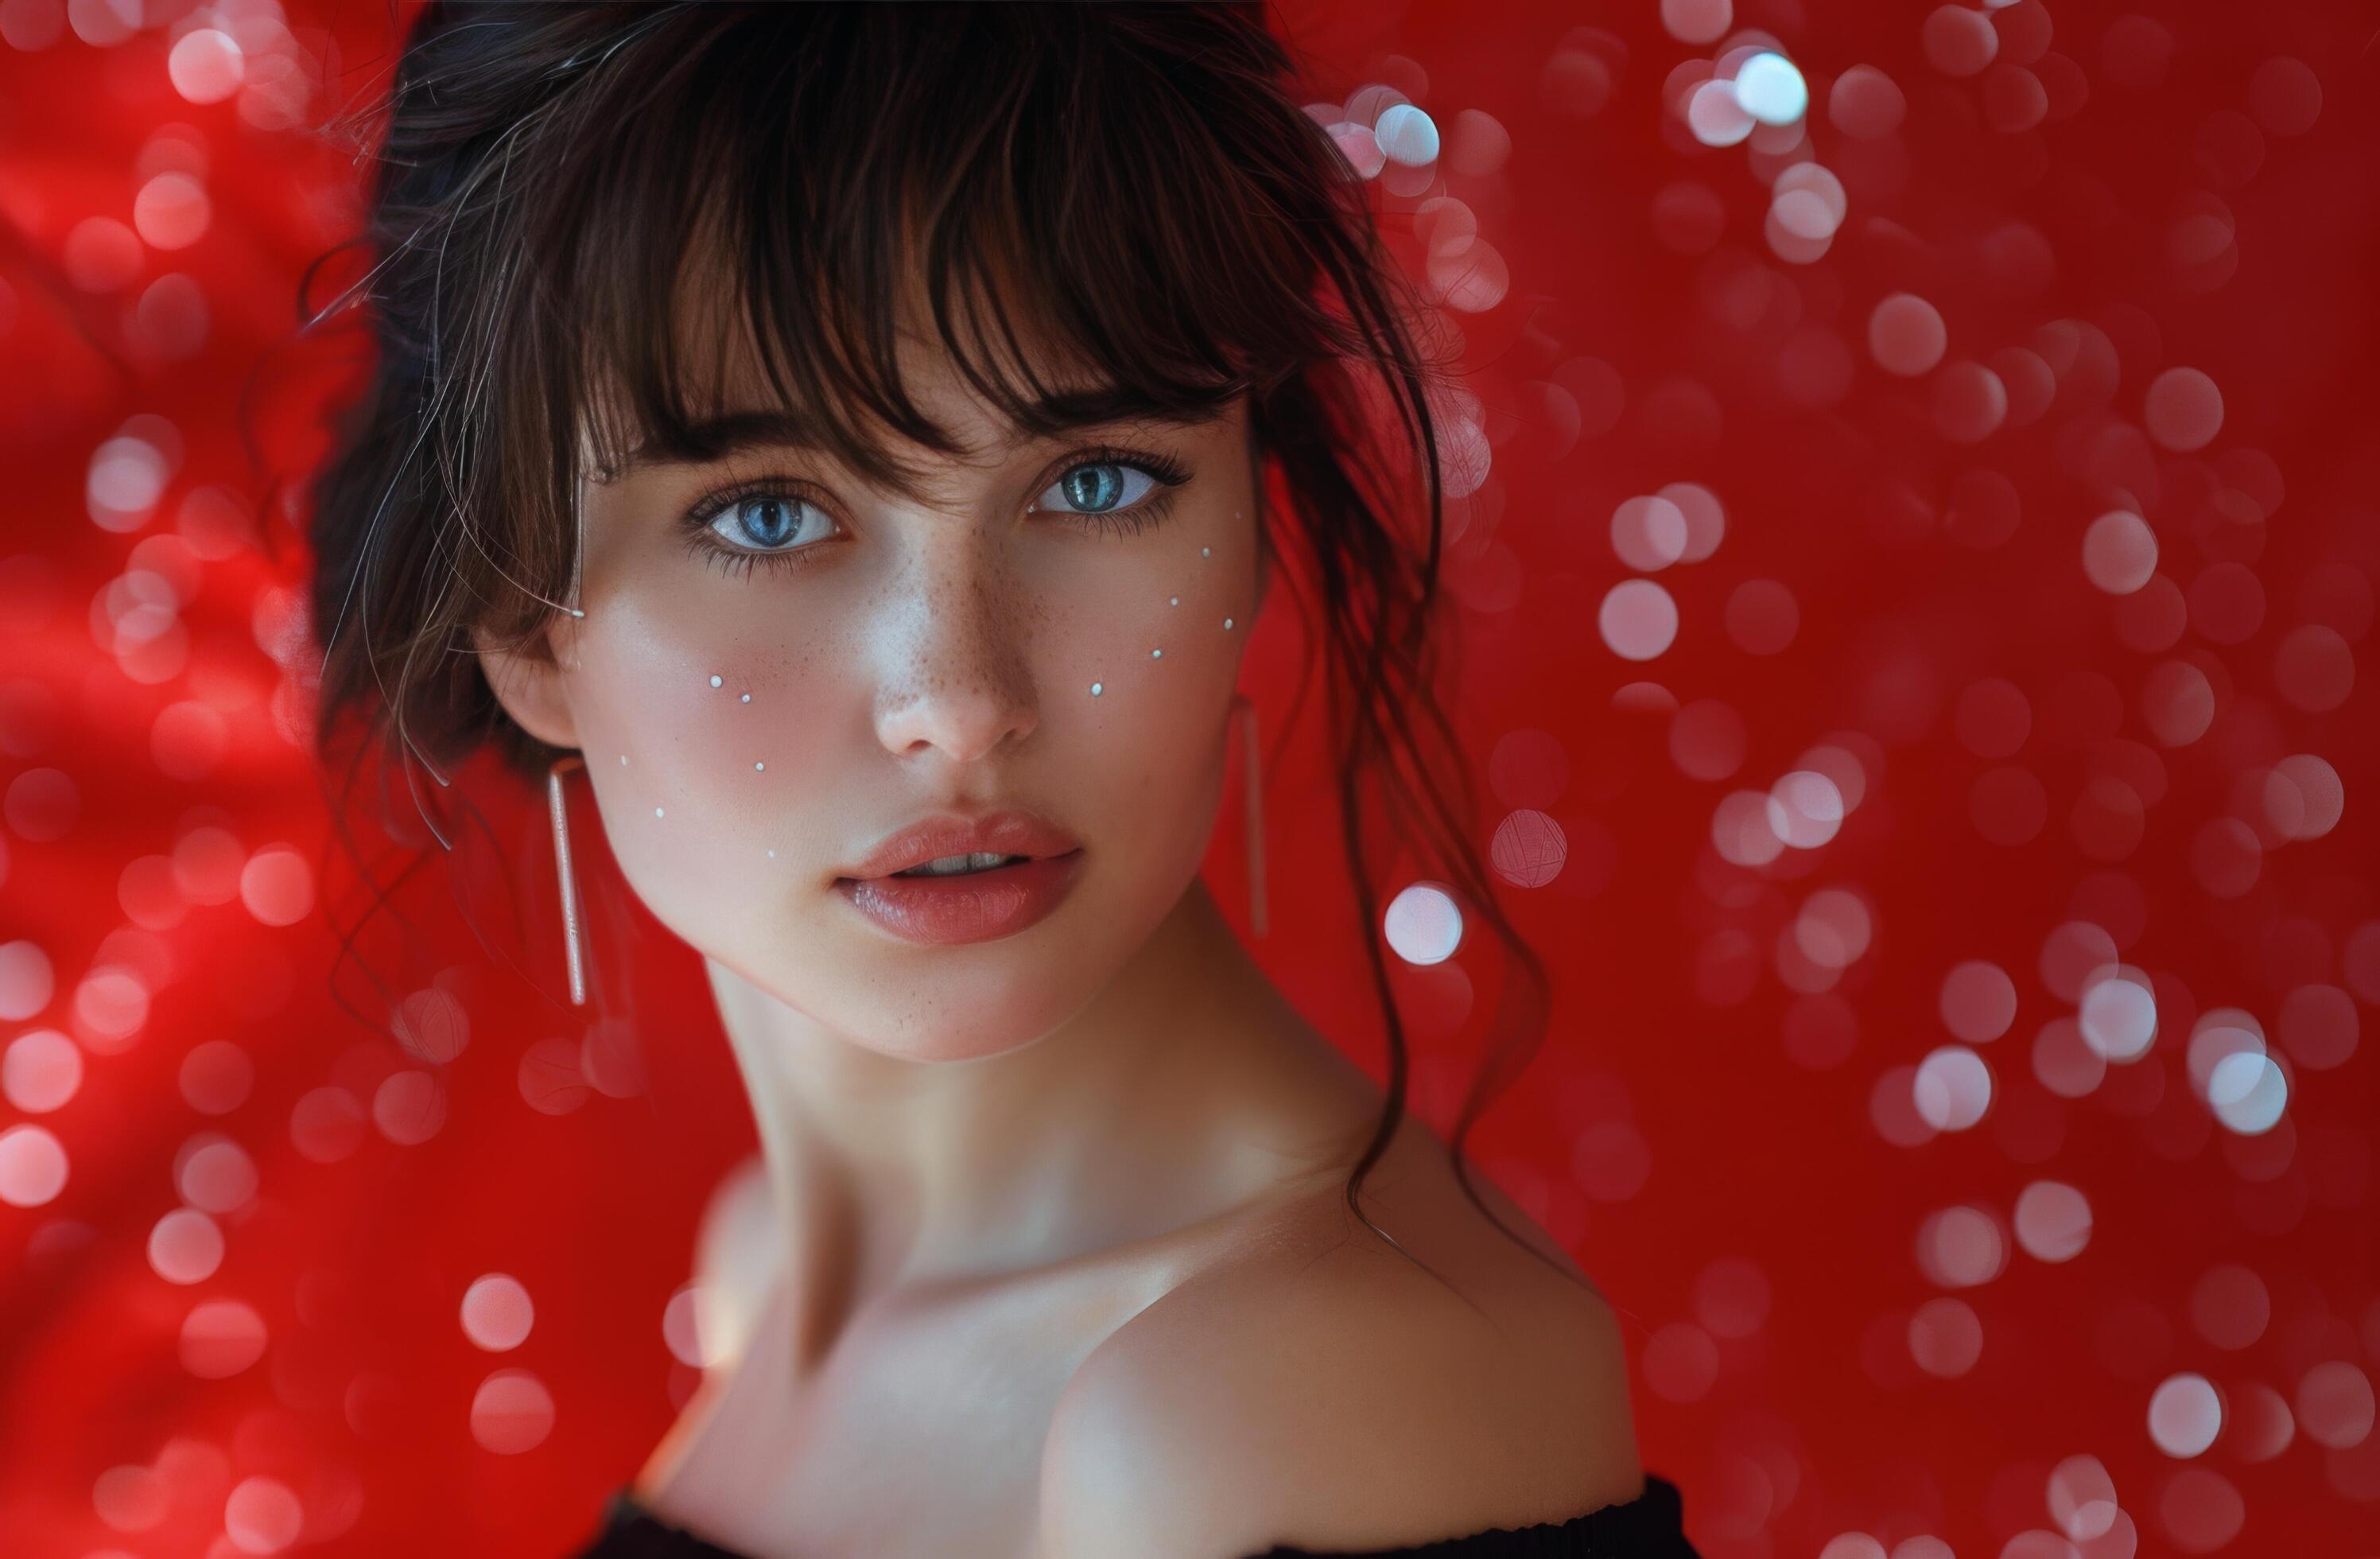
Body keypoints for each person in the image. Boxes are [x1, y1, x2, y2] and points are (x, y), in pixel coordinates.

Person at [304, 4, 1699, 1555]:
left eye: (1098, 481)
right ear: (522, 621)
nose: (960, 704)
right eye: (768, 513)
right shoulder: (769, 1272)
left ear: (1250, 510)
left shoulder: (1265, 1406)